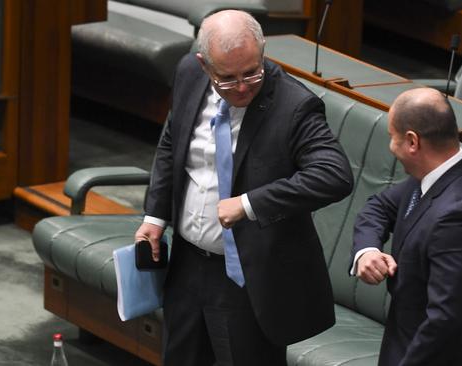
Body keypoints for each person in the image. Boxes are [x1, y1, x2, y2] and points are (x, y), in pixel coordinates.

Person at [134, 10, 353, 366]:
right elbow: (172, 141)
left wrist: (250, 204)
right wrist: (155, 217)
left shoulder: (295, 106)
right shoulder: (189, 73)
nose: (241, 87)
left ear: (262, 51)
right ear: (205, 65)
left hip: (247, 279)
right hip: (187, 266)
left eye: (251, 72)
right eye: (228, 78)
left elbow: (335, 175)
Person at [351, 88, 462, 366]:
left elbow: (445, 320)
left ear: (413, 141)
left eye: (393, 137)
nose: (391, 147)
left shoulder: (461, 213)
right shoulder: (439, 173)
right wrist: (367, 250)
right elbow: (379, 206)